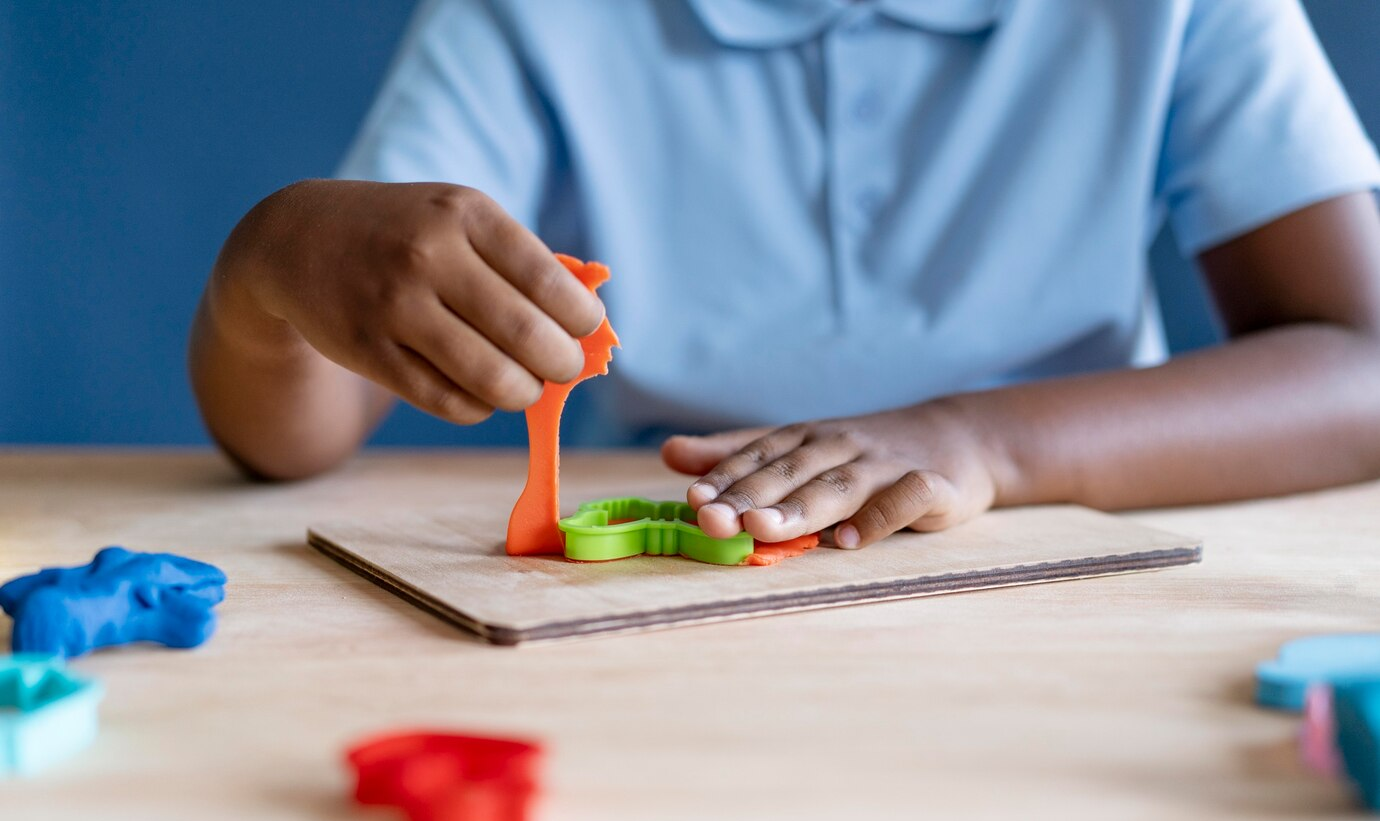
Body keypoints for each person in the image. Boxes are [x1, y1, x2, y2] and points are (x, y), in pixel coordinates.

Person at [190, 0, 1380, 550]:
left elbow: (1362, 366)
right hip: (678, 600)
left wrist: (982, 440)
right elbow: (294, 435)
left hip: (1081, 558)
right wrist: (268, 266)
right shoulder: (530, 18)